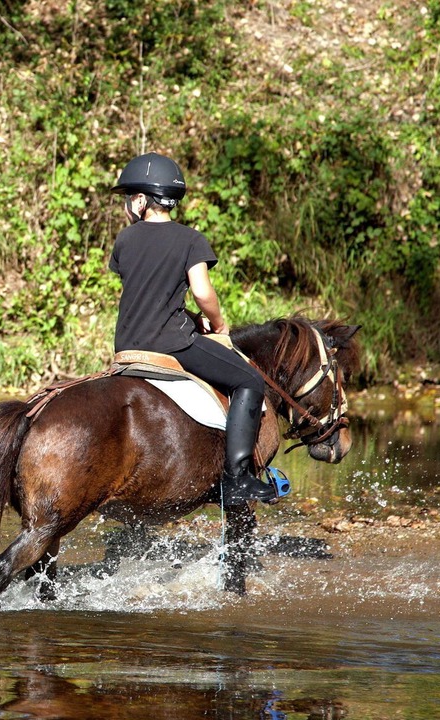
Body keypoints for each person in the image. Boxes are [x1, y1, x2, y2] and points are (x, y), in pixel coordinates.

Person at [107, 152, 276, 506]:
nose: (126, 205)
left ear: (140, 201)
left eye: (128, 198)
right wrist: (216, 323)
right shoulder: (190, 239)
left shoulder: (124, 240)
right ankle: (239, 477)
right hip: (172, 343)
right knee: (250, 381)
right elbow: (202, 291)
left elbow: (148, 291)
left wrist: (182, 312)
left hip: (127, 346)